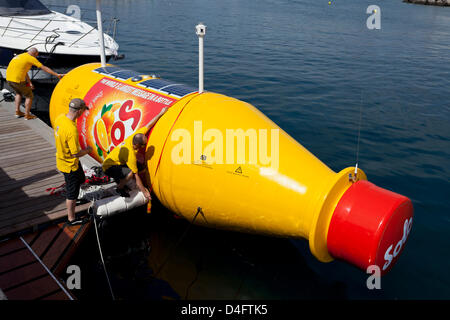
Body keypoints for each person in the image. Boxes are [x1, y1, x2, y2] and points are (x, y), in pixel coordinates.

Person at [102, 107, 168, 200]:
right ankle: (119, 188)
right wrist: (145, 192)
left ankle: (121, 179)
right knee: (130, 174)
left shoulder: (136, 136)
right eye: (143, 145)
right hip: (109, 167)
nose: (144, 146)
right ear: (137, 144)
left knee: (141, 167)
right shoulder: (130, 155)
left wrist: (161, 112)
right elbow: (136, 176)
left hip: (118, 161)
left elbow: (149, 125)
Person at [54, 98, 92, 225]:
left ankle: (78, 198)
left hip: (62, 158)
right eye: (83, 111)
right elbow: (76, 153)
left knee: (81, 178)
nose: (83, 113)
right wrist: (87, 150)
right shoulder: (71, 129)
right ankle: (72, 219)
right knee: (71, 193)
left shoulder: (60, 118)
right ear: (79, 111)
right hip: (69, 165)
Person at [6, 47, 64, 120]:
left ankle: (17, 112)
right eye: (36, 55)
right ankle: (27, 115)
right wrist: (56, 74)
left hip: (9, 79)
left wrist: (29, 82)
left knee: (19, 93)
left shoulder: (20, 56)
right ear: (34, 54)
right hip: (18, 80)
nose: (36, 57)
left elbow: (24, 71)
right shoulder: (31, 58)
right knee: (29, 96)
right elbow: (44, 67)